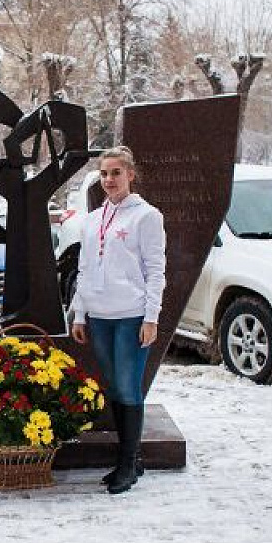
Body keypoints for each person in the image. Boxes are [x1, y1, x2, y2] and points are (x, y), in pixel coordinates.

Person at [70, 146, 166, 495]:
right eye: (105, 174)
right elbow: (84, 268)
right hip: (99, 315)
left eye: (116, 173)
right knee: (113, 386)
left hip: (131, 314)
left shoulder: (147, 216)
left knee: (128, 387)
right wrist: (81, 313)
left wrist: (151, 317)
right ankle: (131, 457)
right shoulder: (93, 219)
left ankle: (127, 463)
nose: (109, 180)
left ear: (130, 175)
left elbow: (156, 270)